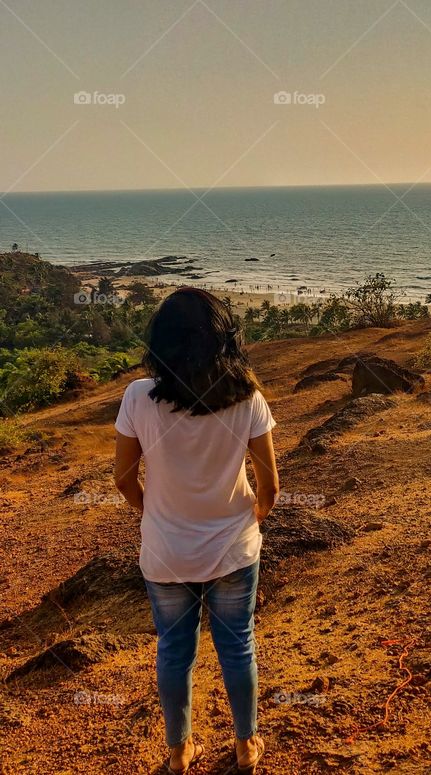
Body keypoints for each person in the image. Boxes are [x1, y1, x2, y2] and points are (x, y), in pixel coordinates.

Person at [113, 288, 279, 775]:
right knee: (237, 645)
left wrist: (152, 514)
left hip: (166, 551)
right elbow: (269, 483)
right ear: (223, 339)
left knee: (174, 648)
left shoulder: (138, 398)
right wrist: (250, 522)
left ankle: (179, 752)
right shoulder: (247, 397)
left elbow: (123, 478)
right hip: (233, 548)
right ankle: (247, 746)